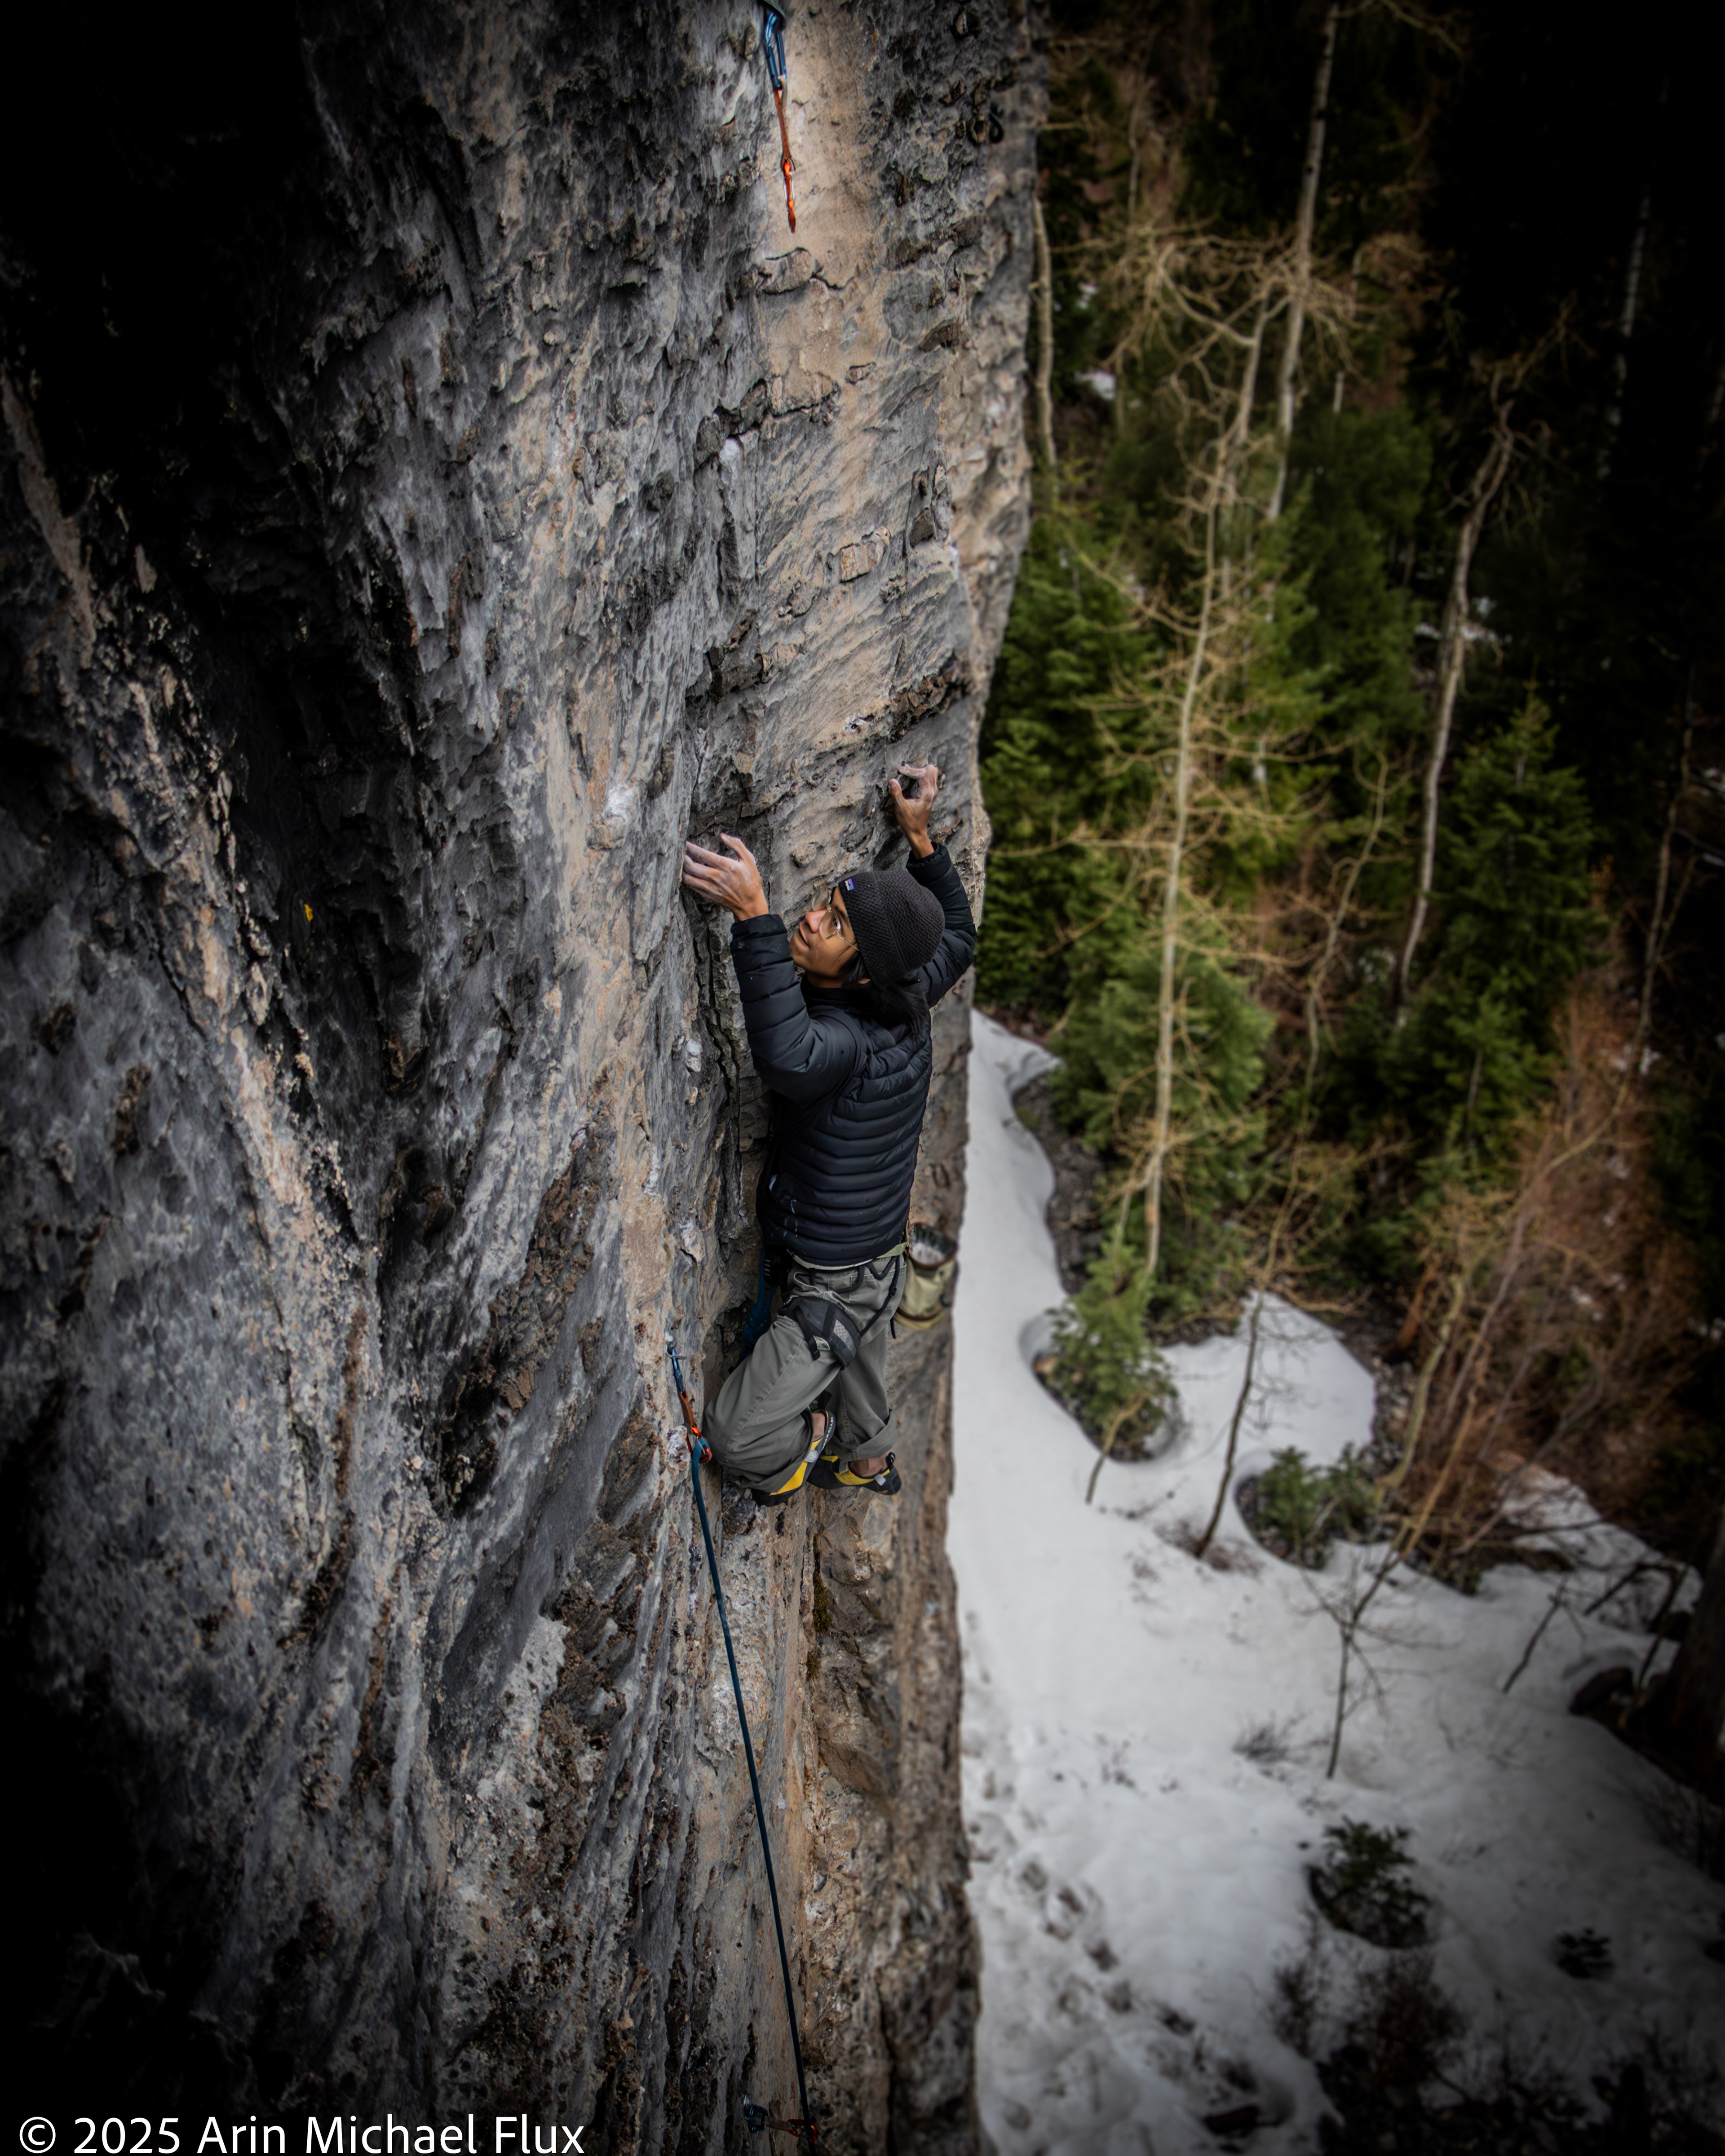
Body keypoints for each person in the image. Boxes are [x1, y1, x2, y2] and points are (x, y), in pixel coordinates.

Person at [680, 764, 975, 1498]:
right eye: (822, 906)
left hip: (837, 1276)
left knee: (737, 1436)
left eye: (835, 927)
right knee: (866, 1321)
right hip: (873, 1246)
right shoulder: (909, 990)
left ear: (864, 975)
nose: (811, 919)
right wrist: (919, 837)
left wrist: (755, 918)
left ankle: (806, 1452)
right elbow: (961, 936)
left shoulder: (846, 1044)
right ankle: (870, 1459)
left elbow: (790, 1056)